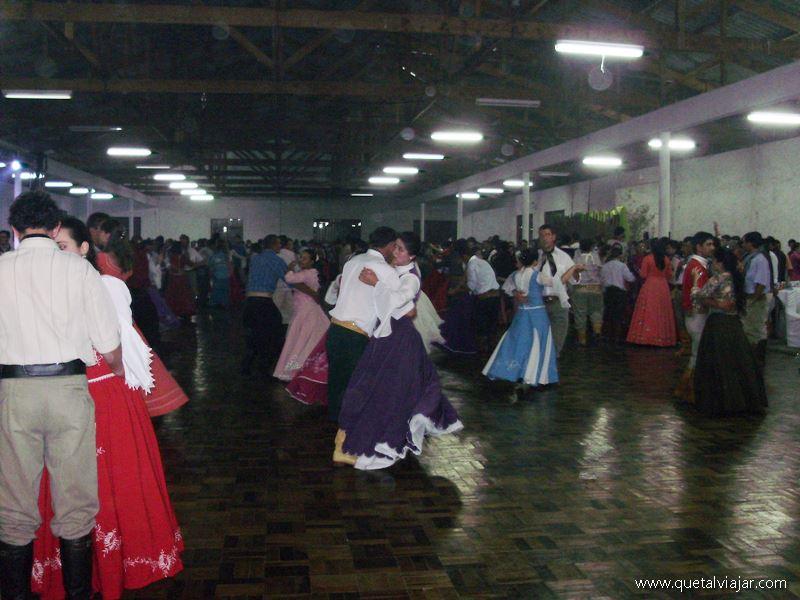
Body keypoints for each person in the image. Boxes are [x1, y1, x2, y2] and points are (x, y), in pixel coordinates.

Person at [33, 217, 183, 599]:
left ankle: (118, 564)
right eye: (52, 248)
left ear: (85, 249)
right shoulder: (41, 289)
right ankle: (75, 572)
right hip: (63, 396)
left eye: (63, 246)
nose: (56, 255)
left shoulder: (108, 286)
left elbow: (118, 349)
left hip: (106, 396)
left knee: (111, 482)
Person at [0, 192, 123, 599]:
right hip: (68, 390)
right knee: (76, 500)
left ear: (15, 230)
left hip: (13, 392)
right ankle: (77, 594)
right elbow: (108, 341)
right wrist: (118, 366)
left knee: (14, 502)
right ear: (55, 229)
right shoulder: (77, 270)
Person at [336, 232, 463, 469]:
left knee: (390, 389)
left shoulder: (411, 277)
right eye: (395, 248)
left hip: (399, 337)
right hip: (388, 336)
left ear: (412, 255)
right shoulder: (397, 271)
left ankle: (389, 436)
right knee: (387, 387)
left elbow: (403, 304)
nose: (395, 253)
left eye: (401, 250)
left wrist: (377, 283)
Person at [327, 227, 401, 463]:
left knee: (339, 386)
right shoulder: (384, 269)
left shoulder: (353, 260)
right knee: (358, 391)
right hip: (355, 335)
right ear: (389, 246)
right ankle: (345, 448)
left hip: (336, 330)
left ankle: (344, 439)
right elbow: (398, 304)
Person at [483, 248, 579, 400]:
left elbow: (507, 288)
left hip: (522, 314)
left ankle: (515, 372)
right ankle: (535, 376)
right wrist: (573, 268)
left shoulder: (515, 275)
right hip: (537, 315)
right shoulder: (538, 276)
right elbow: (558, 282)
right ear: (535, 262)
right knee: (538, 345)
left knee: (518, 343)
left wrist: (517, 295)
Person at [691, 247, 767, 416]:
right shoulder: (736, 278)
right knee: (738, 361)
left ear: (720, 263)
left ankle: (720, 401)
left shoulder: (718, 279)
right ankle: (743, 400)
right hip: (733, 323)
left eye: (715, 261)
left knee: (716, 362)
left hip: (718, 323)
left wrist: (696, 282)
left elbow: (698, 295)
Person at [273, 249, 330, 382]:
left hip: (305, 310)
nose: (300, 260)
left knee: (300, 340)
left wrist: (289, 268)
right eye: (300, 257)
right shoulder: (309, 273)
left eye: (304, 258)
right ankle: (298, 368)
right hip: (303, 309)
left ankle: (294, 368)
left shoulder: (308, 273)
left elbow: (289, 278)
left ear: (311, 261)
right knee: (301, 339)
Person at [674, 232, 715, 403]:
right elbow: (694, 291)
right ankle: (687, 388)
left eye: (713, 244)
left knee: (697, 352)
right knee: (697, 353)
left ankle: (686, 387)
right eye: (708, 244)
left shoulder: (696, 264)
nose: (712, 248)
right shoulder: (696, 266)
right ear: (699, 247)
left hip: (696, 312)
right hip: (698, 313)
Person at [241, 235, 288, 376]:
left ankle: (247, 366)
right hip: (264, 303)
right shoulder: (277, 260)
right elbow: (288, 279)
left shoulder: (255, 259)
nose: (280, 246)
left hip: (249, 302)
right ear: (273, 245)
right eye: (279, 244)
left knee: (253, 335)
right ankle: (264, 368)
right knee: (273, 335)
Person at [626, 239, 676, 346]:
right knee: (662, 310)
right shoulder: (666, 259)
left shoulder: (647, 258)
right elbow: (670, 275)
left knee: (649, 310)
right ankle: (662, 338)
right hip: (663, 286)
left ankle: (646, 336)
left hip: (650, 285)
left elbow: (643, 274)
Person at [537, 225, 577, 355]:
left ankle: (552, 362)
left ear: (553, 237)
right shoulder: (536, 257)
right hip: (539, 302)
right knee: (540, 338)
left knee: (557, 339)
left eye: (547, 235)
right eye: (542, 235)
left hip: (558, 301)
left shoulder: (563, 257)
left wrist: (576, 272)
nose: (545, 238)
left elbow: (574, 279)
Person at [741, 232, 772, 371]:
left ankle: (756, 360)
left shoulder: (760, 259)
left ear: (750, 243)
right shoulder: (750, 258)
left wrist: (753, 299)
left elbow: (761, 282)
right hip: (750, 296)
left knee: (755, 330)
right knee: (749, 329)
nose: (742, 245)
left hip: (756, 298)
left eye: (744, 242)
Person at [465, 242, 500, 354]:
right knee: (492, 326)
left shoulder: (471, 263)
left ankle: (482, 351)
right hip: (495, 296)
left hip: (484, 298)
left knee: (481, 327)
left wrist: (463, 288)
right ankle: (492, 350)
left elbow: (472, 284)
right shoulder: (484, 262)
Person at [571, 239, 603, 346]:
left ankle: (582, 339)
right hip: (595, 288)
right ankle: (597, 332)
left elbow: (573, 271)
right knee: (596, 311)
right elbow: (600, 271)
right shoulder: (595, 256)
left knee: (580, 313)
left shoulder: (577, 256)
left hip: (580, 288)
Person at [600, 245, 636, 344]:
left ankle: (607, 335)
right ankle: (617, 336)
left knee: (608, 314)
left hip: (608, 292)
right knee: (619, 315)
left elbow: (602, 280)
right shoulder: (622, 266)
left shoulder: (605, 265)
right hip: (619, 293)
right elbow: (630, 278)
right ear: (620, 255)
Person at [164, 241, 196, 319]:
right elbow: (192, 264)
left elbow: (167, 266)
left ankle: (173, 311)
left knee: (173, 295)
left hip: (173, 278)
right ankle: (184, 311)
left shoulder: (170, 256)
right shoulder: (182, 256)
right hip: (182, 278)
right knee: (183, 295)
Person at [208, 239, 232, 307]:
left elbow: (211, 266)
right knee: (224, 290)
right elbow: (229, 265)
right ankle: (224, 303)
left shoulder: (213, 256)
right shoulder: (226, 255)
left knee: (216, 290)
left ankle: (215, 303)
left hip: (217, 275)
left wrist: (211, 275)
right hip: (225, 275)